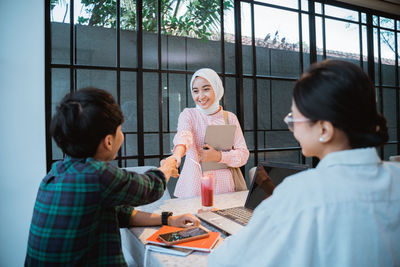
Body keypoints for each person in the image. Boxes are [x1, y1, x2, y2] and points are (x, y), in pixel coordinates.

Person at [208, 60, 400, 266]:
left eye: (294, 119)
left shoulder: (300, 193)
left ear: (324, 130)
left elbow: (227, 261)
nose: (293, 129)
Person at [25, 87, 199, 266]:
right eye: (120, 130)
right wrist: (167, 167)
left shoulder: (56, 173)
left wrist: (169, 219)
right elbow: (151, 187)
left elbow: (119, 213)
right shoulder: (96, 175)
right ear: (108, 141)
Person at [169, 68, 249, 198]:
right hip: (194, 185)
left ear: (217, 89)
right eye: (195, 91)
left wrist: (218, 156)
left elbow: (243, 155)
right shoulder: (189, 115)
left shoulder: (230, 118)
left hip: (225, 187)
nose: (200, 96)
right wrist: (176, 156)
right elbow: (184, 137)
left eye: (206, 89)